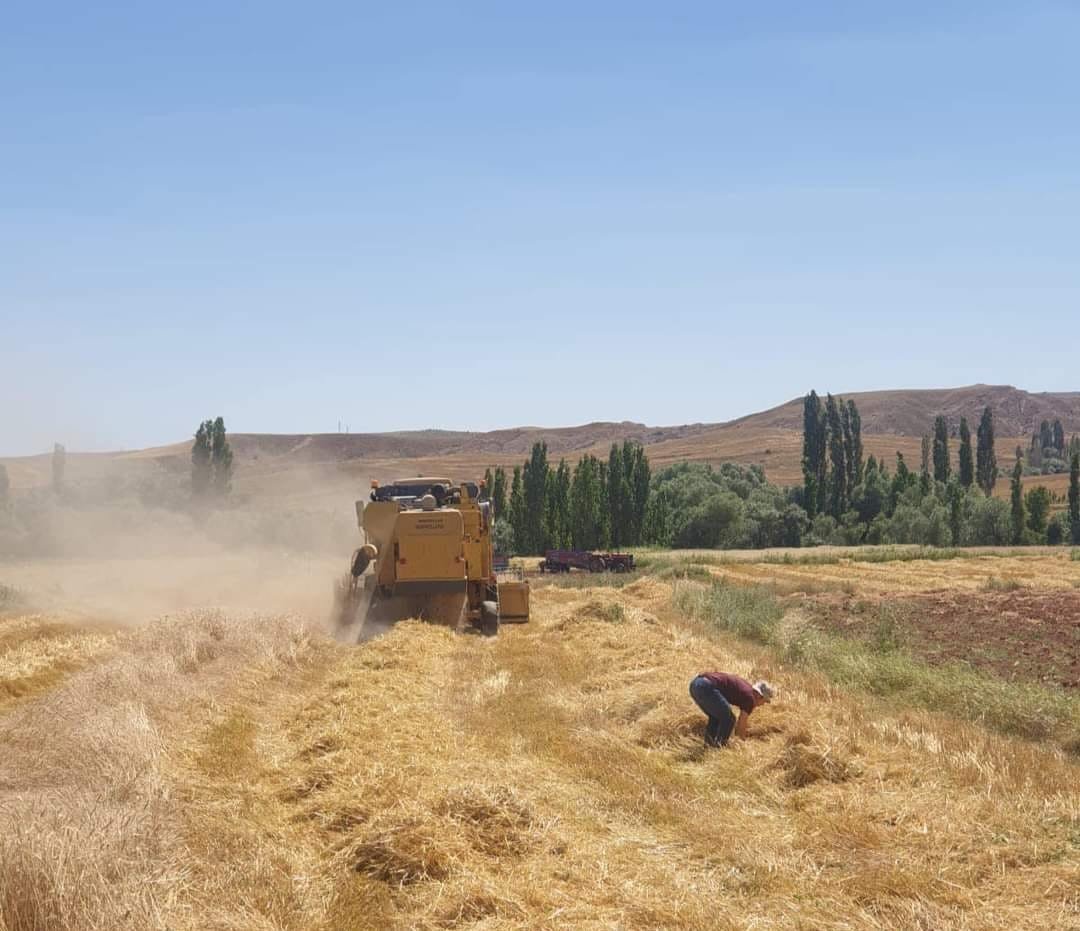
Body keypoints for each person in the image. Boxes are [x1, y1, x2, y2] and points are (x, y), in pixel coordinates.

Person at [689, 672, 775, 747]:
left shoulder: (747, 689)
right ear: (760, 696)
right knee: (729, 719)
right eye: (764, 701)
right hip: (706, 687)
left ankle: (708, 747)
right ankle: (719, 749)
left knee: (716, 718)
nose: (762, 704)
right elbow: (741, 724)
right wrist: (741, 745)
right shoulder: (750, 698)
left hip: (695, 684)